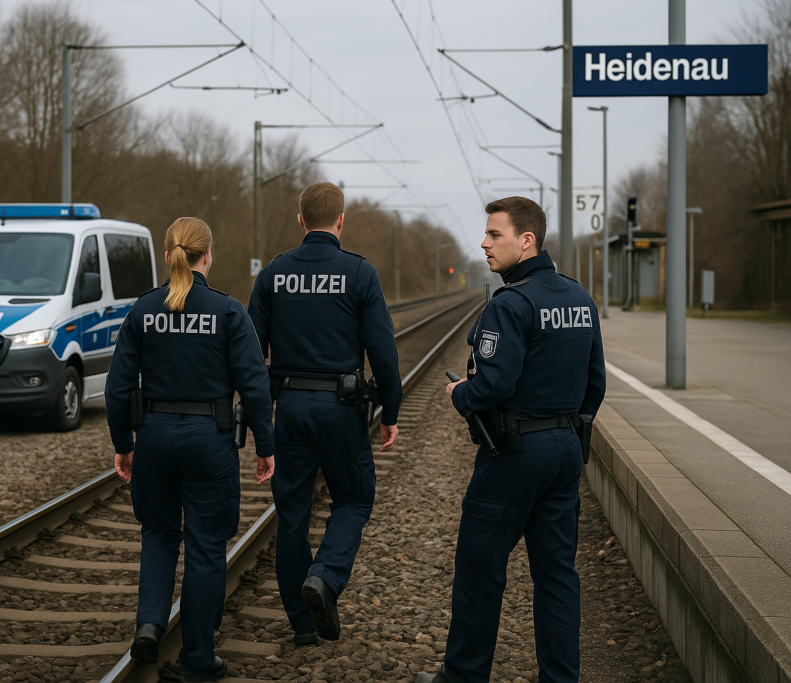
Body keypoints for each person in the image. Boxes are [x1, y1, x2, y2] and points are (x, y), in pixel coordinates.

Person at [416, 196, 606, 683]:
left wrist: (461, 394)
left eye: (494, 234)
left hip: (515, 455)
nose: (483, 243)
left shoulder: (512, 303)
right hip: (565, 451)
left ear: (527, 240)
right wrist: (567, 426)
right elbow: (595, 384)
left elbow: (494, 386)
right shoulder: (580, 299)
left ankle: (462, 678)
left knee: (480, 571)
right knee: (558, 576)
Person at [106, 217, 276, 683]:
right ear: (208, 257)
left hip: (155, 438)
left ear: (168, 256)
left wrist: (124, 444)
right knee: (205, 548)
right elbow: (255, 385)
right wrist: (266, 445)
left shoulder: (143, 311)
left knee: (159, 533)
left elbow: (119, 386)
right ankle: (199, 660)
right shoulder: (226, 311)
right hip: (209, 440)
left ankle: (149, 625)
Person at [248, 181, 402, 645]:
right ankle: (327, 576)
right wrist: (390, 412)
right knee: (353, 500)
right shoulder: (358, 274)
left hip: (290, 407)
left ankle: (303, 623)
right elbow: (384, 353)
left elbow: (253, 356)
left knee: (291, 515)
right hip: (341, 409)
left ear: (300, 221)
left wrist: (260, 423)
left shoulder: (273, 275)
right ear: (340, 221)